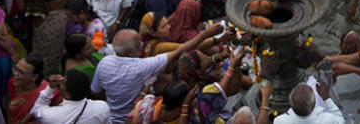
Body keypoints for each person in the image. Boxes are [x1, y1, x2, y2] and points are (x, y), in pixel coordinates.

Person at [90, 23, 224, 124]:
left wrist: (117, 100)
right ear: (129, 52)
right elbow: (178, 52)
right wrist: (205, 35)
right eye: (138, 45)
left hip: (113, 117)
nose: (142, 45)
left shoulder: (104, 62)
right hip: (136, 117)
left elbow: (96, 91)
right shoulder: (141, 66)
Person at [31, 69, 113, 124]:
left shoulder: (53, 115)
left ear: (67, 94)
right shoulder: (102, 107)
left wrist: (50, 88)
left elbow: (37, 108)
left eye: (63, 82)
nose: (60, 81)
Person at [274, 82, 343, 124]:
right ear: (313, 105)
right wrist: (325, 97)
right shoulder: (328, 120)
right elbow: (340, 119)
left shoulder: (279, 121)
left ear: (291, 103)